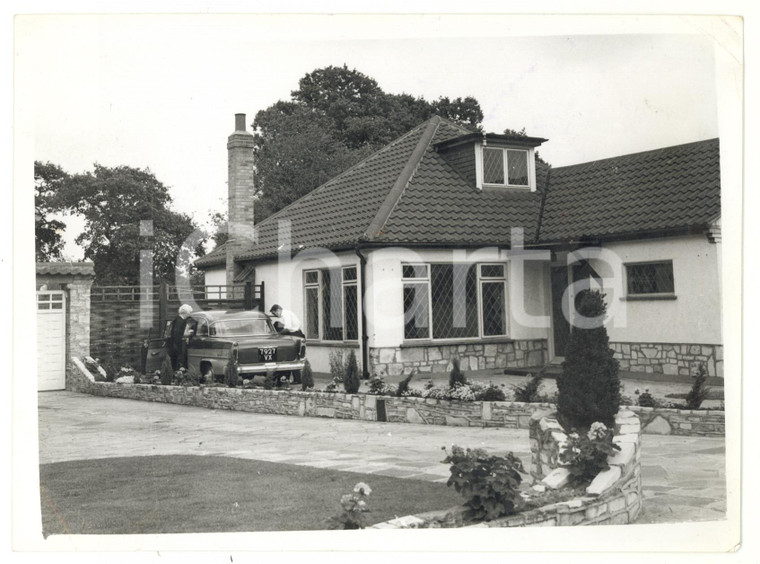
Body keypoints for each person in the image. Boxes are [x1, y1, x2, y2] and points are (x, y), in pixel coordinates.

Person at [168, 304, 193, 370]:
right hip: (177, 346)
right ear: (185, 312)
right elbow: (178, 334)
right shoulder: (180, 321)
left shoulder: (178, 319)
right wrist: (189, 333)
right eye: (189, 313)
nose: (189, 315)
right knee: (177, 364)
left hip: (175, 345)